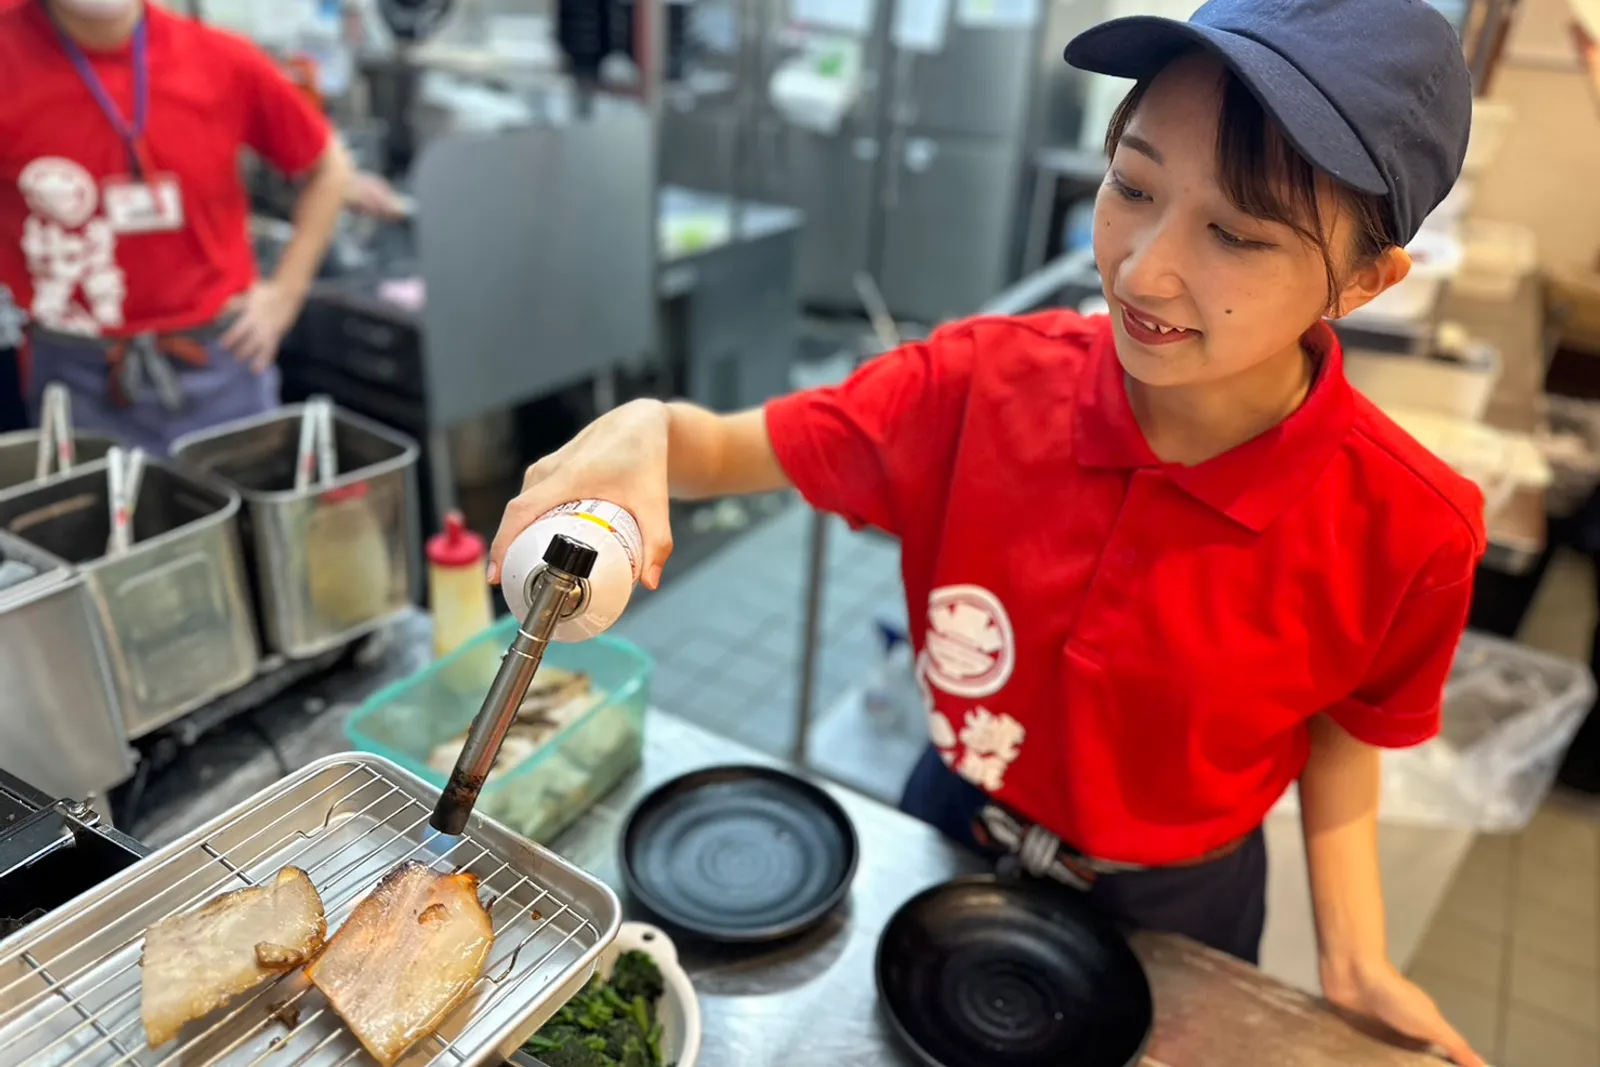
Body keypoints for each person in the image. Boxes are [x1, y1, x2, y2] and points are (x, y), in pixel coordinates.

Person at [492, 0, 1486, 1061]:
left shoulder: (1410, 527)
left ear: (1364, 280)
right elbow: (733, 449)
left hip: (1179, 905)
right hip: (951, 825)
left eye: (1235, 234)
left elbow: (1346, 725)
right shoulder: (979, 385)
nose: (1143, 270)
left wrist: (1355, 956)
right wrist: (647, 428)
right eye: (1132, 186)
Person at [0, 0, 353, 455]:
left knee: (240, 496)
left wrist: (285, 295)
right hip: (73, 368)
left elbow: (329, 168)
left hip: (222, 359)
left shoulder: (219, 58)